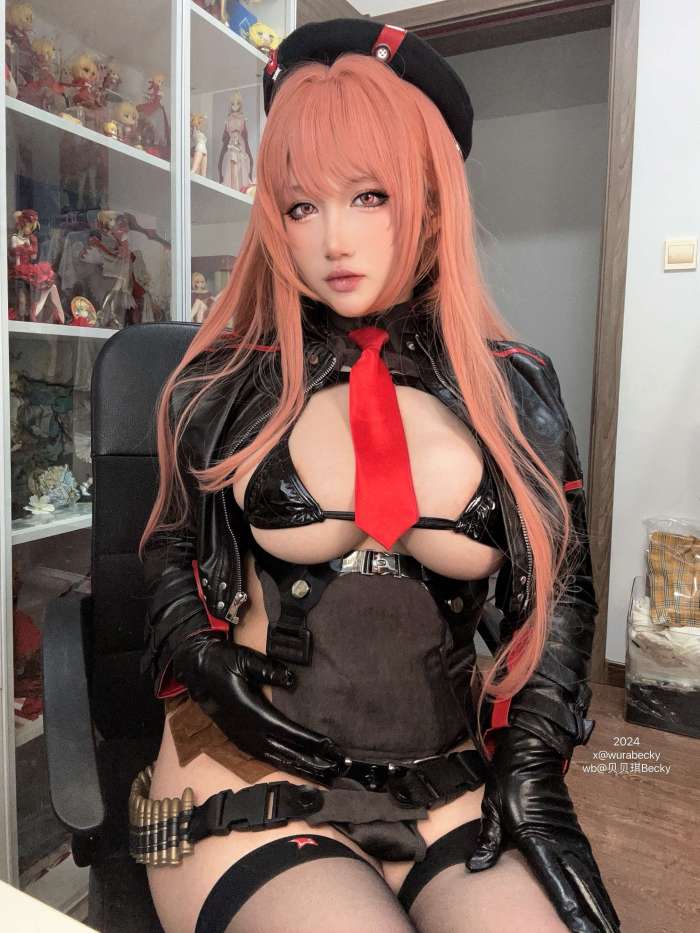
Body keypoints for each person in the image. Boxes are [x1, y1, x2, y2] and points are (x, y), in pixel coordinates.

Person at [133, 18, 621, 933]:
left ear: (431, 198)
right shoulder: (221, 379)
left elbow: (561, 595)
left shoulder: (517, 387)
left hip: (444, 768)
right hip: (244, 763)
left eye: (369, 196)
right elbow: (168, 545)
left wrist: (534, 761)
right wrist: (201, 659)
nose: (334, 239)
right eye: (301, 206)